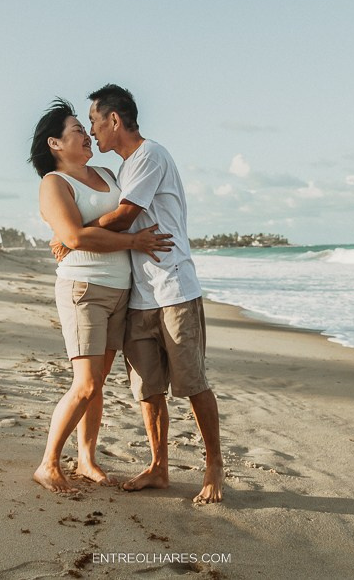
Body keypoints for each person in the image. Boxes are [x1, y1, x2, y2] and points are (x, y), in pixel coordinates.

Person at [60, 84, 224, 504]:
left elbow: (126, 215)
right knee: (148, 391)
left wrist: (75, 236)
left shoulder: (150, 155)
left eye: (95, 122)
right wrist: (73, 234)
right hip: (139, 297)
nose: (93, 132)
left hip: (174, 289)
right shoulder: (121, 170)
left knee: (193, 383)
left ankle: (214, 470)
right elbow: (112, 215)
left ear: (115, 120)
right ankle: (159, 468)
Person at [28, 98, 173, 494]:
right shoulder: (54, 183)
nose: (87, 134)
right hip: (84, 289)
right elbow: (74, 238)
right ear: (56, 144)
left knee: (99, 381)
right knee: (86, 383)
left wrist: (124, 238)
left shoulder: (109, 173)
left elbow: (126, 211)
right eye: (77, 129)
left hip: (121, 288)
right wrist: (131, 241)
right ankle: (48, 463)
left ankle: (86, 458)